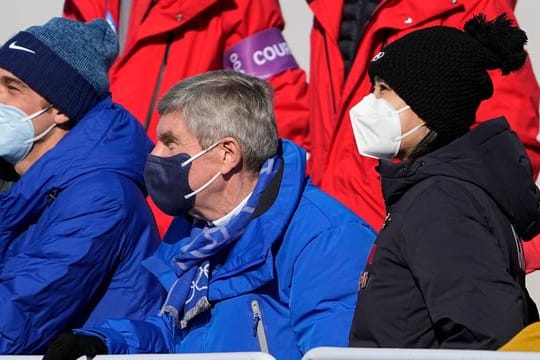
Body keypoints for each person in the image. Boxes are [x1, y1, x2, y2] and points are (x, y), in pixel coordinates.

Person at [43, 70, 376, 360]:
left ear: (227, 154)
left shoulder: (327, 237)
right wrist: (106, 342)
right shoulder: (197, 229)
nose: (155, 154)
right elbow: (177, 335)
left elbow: (332, 350)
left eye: (170, 143)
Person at [347, 13, 540, 349]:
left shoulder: (441, 202)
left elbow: (489, 337)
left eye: (384, 90)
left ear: (430, 103)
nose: (368, 103)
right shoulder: (434, 191)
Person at [63, 0, 311, 235]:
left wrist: (261, 217)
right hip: (84, 204)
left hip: (172, 219)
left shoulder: (237, 5)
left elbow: (273, 108)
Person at [0, 17, 163, 354]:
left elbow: (17, 322)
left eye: (12, 87)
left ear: (59, 108)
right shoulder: (20, 184)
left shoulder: (100, 198)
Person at [305, 0, 540, 233]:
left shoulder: (470, 6)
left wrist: (438, 224)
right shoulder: (333, 6)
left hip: (400, 232)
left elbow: (505, 151)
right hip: (322, 227)